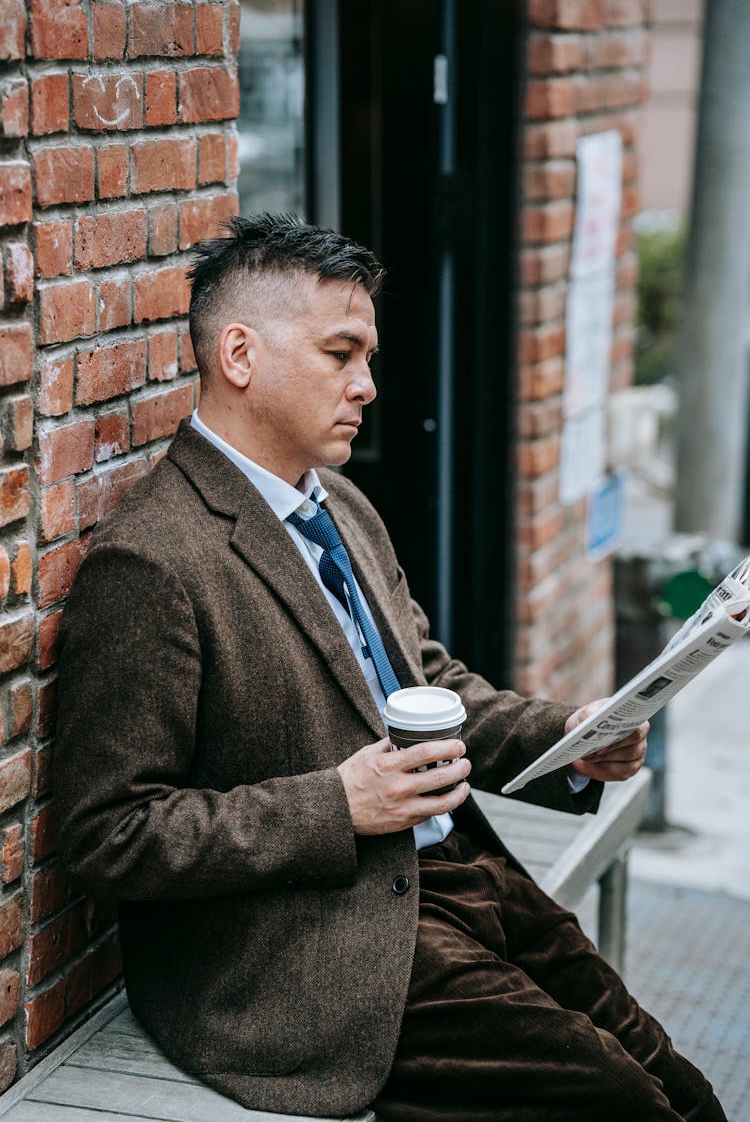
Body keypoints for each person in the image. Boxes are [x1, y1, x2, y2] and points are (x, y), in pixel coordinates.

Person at [54, 213, 726, 1122]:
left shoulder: (344, 504)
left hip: (454, 871)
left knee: (673, 1077)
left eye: (366, 356)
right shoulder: (152, 561)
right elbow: (111, 832)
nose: (368, 386)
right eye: (341, 354)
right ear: (240, 356)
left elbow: (426, 682)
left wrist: (568, 736)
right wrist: (339, 804)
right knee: (616, 1099)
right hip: (301, 948)